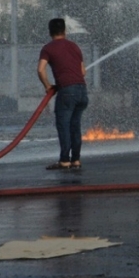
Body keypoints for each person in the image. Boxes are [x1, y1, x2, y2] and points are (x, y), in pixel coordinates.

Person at [38, 18, 88, 170]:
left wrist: (47, 86)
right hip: (82, 91)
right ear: (65, 31)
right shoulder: (74, 46)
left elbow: (41, 69)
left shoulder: (48, 48)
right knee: (75, 126)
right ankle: (76, 160)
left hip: (66, 91)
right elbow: (82, 72)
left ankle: (65, 160)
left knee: (64, 126)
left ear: (49, 32)